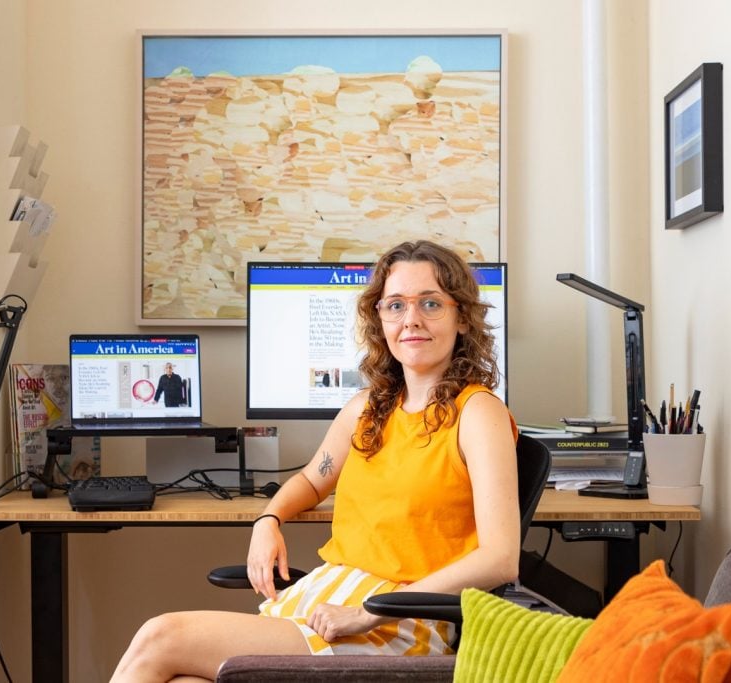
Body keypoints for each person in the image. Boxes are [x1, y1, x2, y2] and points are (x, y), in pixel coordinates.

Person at [112, 240, 519, 682]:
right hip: (329, 604)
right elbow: (311, 479)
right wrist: (268, 521)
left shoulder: (478, 413)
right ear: (378, 318)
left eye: (430, 303)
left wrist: (366, 613)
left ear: (461, 317)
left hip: (398, 621)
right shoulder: (368, 408)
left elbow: (500, 559)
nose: (411, 320)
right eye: (396, 305)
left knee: (162, 637)